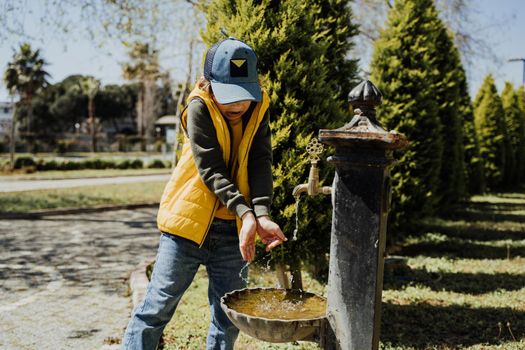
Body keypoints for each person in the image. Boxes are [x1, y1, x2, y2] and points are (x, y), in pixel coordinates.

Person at [122, 37, 287, 350]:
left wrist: (261, 213)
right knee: (155, 311)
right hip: (187, 227)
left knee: (228, 319)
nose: (238, 105)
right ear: (207, 84)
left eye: (244, 96)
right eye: (229, 96)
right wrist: (246, 213)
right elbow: (211, 169)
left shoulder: (258, 108)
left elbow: (261, 161)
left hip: (233, 234)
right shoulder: (198, 107)